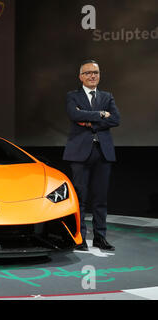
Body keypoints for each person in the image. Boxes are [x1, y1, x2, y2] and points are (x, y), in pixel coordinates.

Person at [63, 59, 120, 251]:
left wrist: (89, 121)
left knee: (100, 198)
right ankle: (80, 237)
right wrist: (101, 115)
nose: (92, 76)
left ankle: (100, 237)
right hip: (79, 152)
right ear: (80, 77)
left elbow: (116, 119)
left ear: (99, 75)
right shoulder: (73, 96)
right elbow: (74, 115)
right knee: (80, 197)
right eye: (87, 73)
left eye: (95, 72)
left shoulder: (107, 96)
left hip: (103, 152)